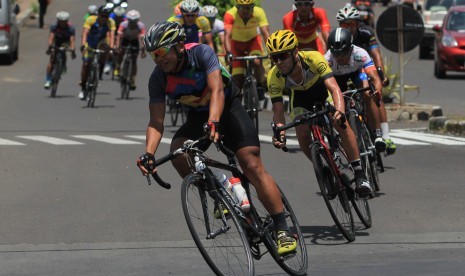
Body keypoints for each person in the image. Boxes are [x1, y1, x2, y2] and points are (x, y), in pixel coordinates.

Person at [137, 21, 297, 256]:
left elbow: (218, 90)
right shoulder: (158, 78)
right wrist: (149, 153)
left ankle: (283, 229)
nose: (158, 59)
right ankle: (221, 191)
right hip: (198, 115)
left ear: (179, 46)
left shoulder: (201, 53)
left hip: (227, 107)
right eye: (153, 55)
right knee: (179, 154)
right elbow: (156, 122)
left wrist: (214, 121)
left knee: (250, 164)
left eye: (161, 51)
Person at [266, 29, 372, 198]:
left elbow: (334, 88)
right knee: (301, 133)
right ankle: (324, 169)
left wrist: (339, 110)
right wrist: (281, 131)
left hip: (322, 91)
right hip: (300, 98)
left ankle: (359, 174)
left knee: (340, 123)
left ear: (295, 52)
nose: (279, 62)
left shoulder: (313, 58)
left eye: (283, 56)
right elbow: (278, 110)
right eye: (274, 57)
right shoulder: (274, 76)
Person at [336, 5, 396, 155]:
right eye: (344, 24)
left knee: (371, 93)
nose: (348, 28)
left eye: (351, 24)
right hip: (343, 70)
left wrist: (381, 74)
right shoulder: (338, 36)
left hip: (362, 67)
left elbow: (376, 54)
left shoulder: (366, 32)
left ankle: (384, 135)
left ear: (357, 23)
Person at [324, 27, 385, 150]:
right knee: (333, 103)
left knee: (368, 94)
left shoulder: (360, 54)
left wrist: (377, 90)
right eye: (336, 54)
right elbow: (324, 85)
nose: (340, 57)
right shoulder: (327, 60)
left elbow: (375, 78)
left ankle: (378, 134)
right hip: (336, 78)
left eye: (343, 53)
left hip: (357, 74)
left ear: (351, 49)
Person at [224, 0, 270, 90]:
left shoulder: (259, 12)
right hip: (236, 45)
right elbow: (227, 36)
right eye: (241, 7)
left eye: (248, 8)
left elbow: (265, 33)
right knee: (237, 79)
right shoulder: (230, 14)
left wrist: (272, 51)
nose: (245, 11)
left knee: (257, 62)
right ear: (237, 7)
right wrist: (229, 53)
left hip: (252, 42)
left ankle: (260, 85)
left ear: (253, 7)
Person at [79, 5, 116, 100]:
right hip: (91, 43)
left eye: (106, 16)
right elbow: (85, 33)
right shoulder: (91, 19)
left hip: (101, 42)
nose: (104, 18)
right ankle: (83, 87)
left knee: (105, 51)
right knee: (86, 64)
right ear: (98, 15)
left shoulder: (110, 22)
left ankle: (99, 73)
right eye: (102, 16)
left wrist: (112, 48)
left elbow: (112, 36)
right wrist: (83, 44)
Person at [114, 9, 146, 90]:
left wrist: (143, 50)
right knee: (121, 53)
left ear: (137, 20)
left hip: (134, 41)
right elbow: (119, 37)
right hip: (125, 40)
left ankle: (132, 79)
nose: (132, 23)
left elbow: (142, 39)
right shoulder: (123, 24)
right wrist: (118, 47)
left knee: (134, 60)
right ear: (127, 20)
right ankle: (118, 67)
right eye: (131, 21)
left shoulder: (141, 26)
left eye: (134, 21)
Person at [44, 11, 76, 89]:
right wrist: (50, 46)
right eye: (61, 21)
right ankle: (48, 80)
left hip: (65, 42)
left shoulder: (71, 28)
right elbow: (51, 37)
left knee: (63, 50)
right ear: (58, 21)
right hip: (57, 41)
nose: (62, 23)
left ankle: (63, 65)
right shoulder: (54, 26)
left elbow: (72, 40)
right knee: (52, 59)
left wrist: (72, 50)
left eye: (64, 21)